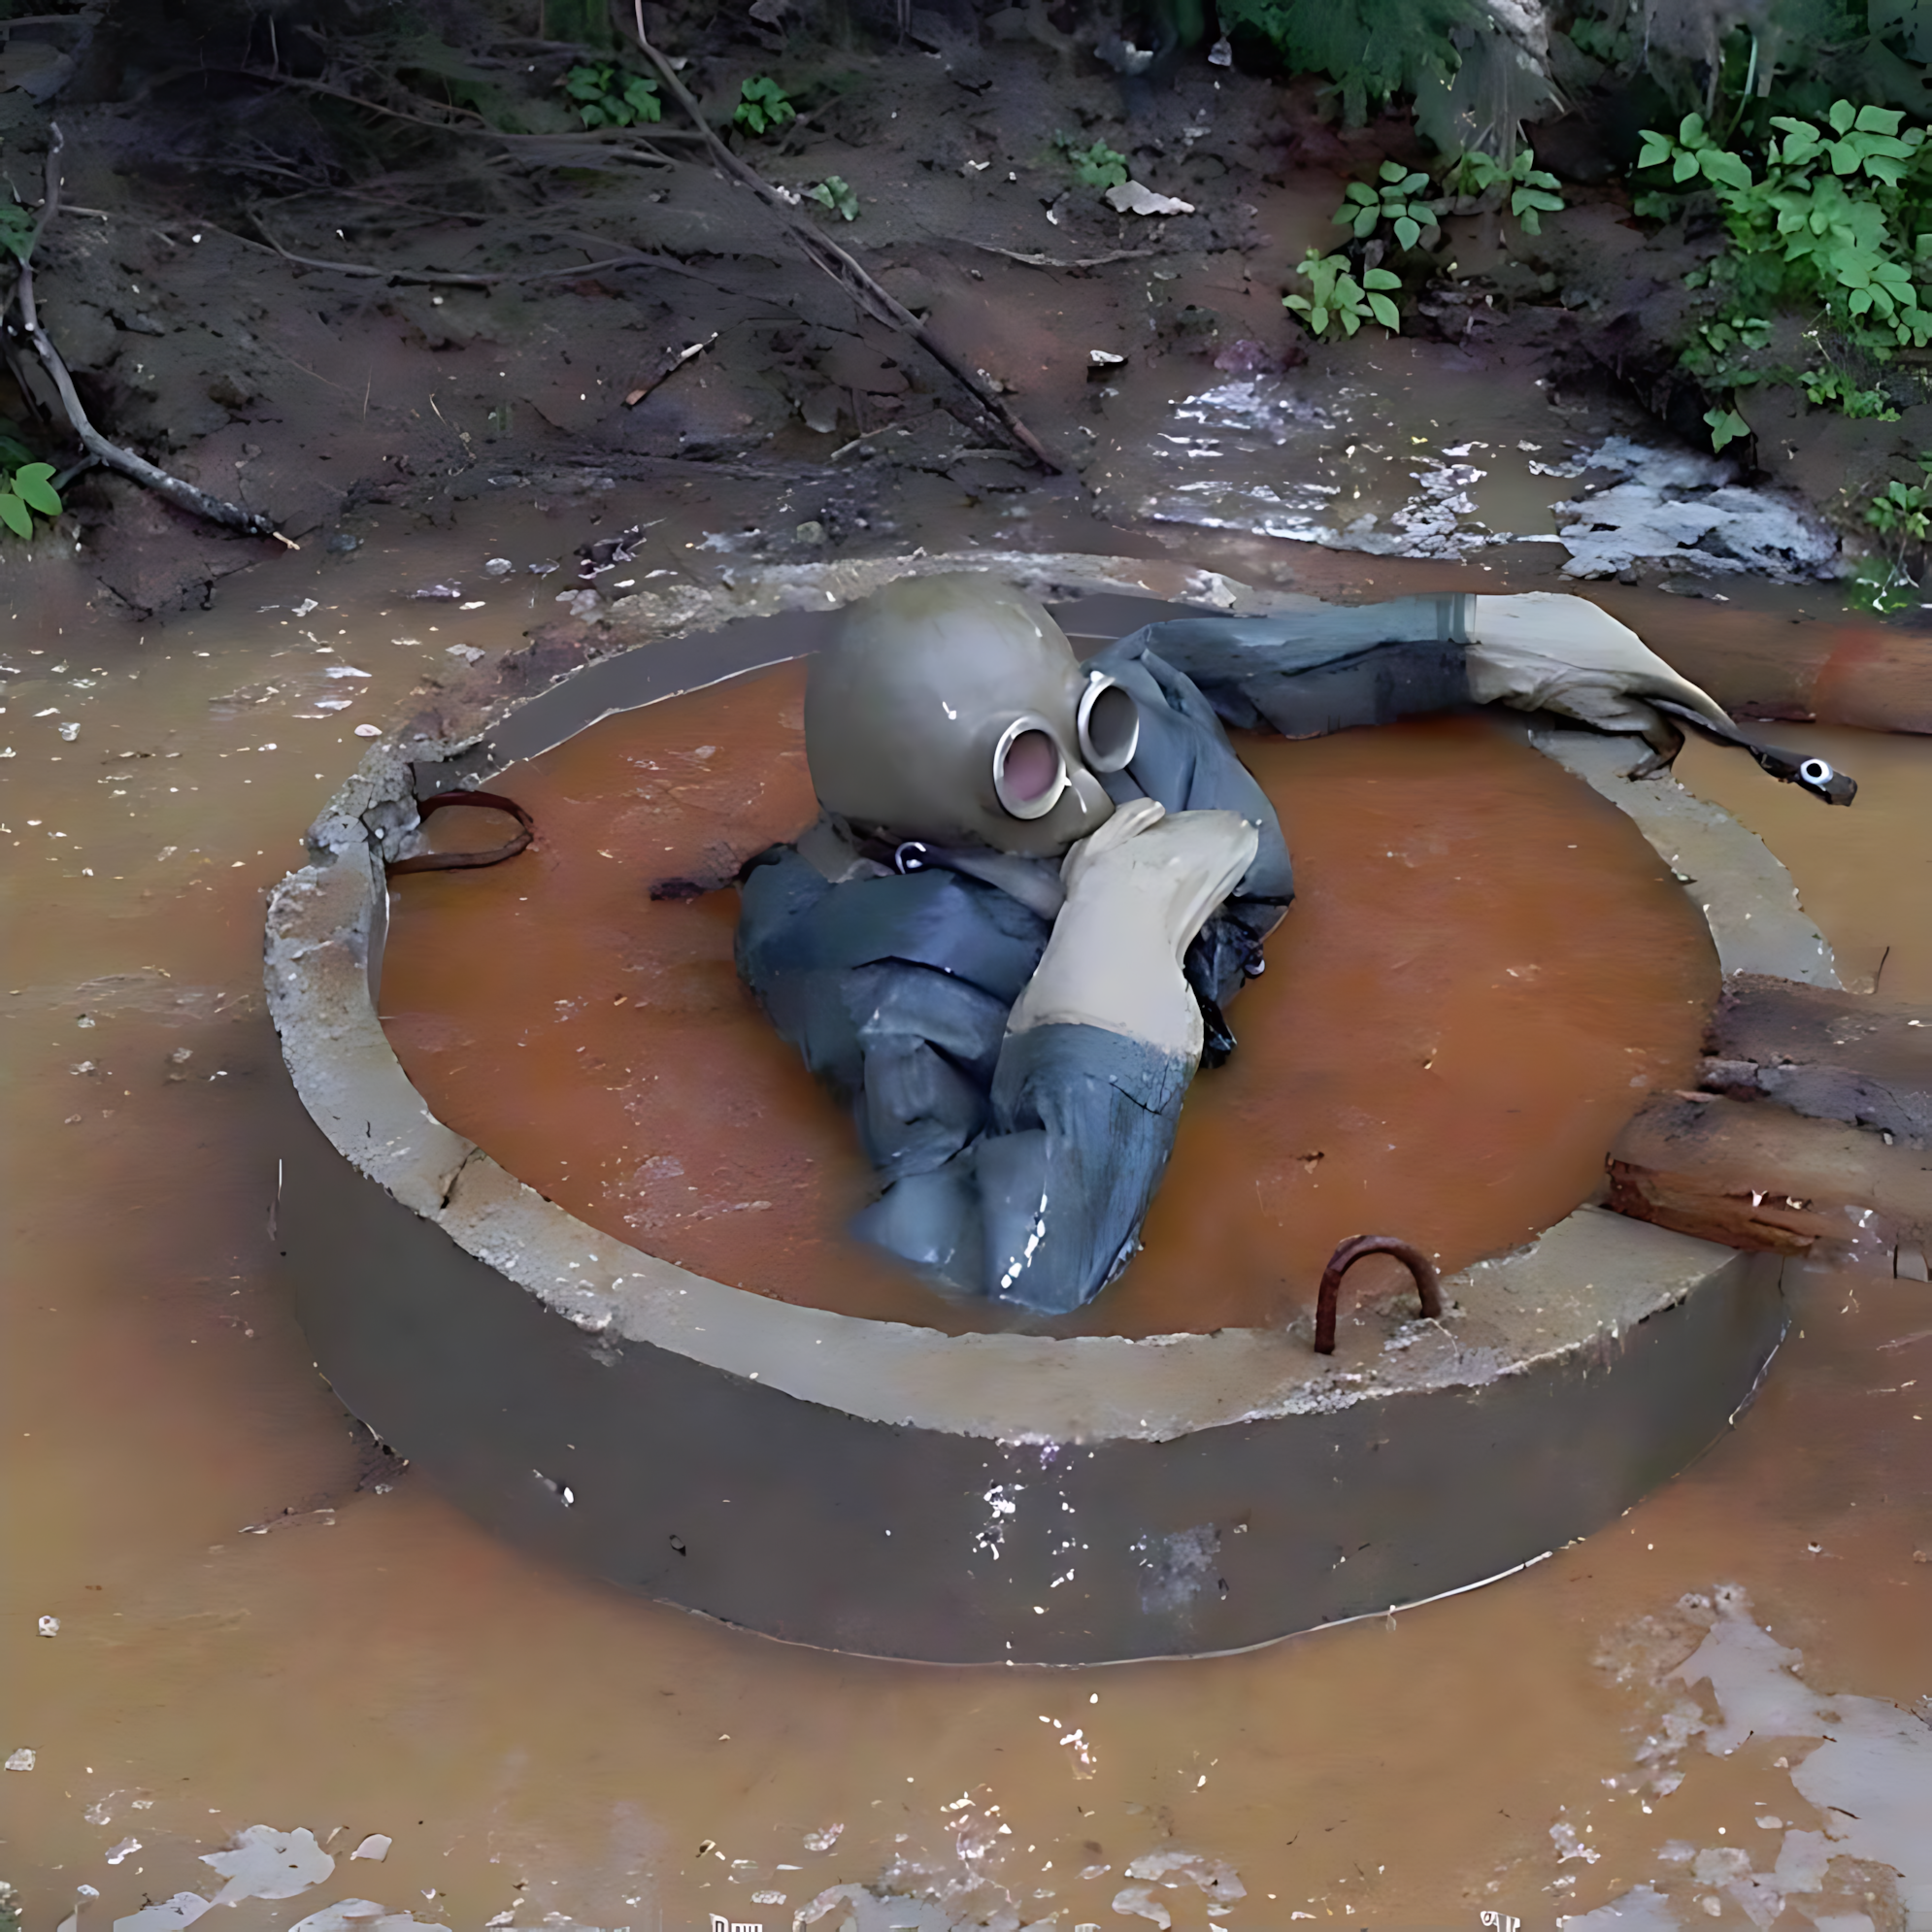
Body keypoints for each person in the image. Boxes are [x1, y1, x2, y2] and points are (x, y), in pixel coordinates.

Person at [734, 573, 1851, 1316]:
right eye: (1027, 770)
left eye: (1084, 728)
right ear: (915, 820)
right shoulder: (894, 998)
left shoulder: (1135, 734)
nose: (1087, 788)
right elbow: (1001, 1273)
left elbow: (1213, 665)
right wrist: (1103, 999)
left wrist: (1474, 643)